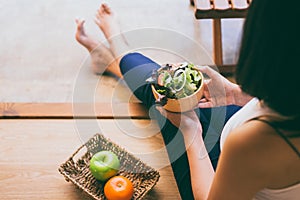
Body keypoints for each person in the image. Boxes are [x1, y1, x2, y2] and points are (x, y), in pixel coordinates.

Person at [75, 1, 300, 199]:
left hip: (221, 183)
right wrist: (240, 95)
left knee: (162, 97)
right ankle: (113, 57)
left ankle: (114, 54)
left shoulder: (249, 143)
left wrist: (190, 130)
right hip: (252, 153)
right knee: (171, 88)